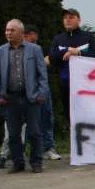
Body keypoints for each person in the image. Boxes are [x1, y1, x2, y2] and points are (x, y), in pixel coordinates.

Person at [0, 19, 49, 173]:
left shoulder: (35, 50)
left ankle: (36, 162)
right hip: (10, 98)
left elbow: (42, 75)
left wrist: (41, 93)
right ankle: (18, 162)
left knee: (35, 132)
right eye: (7, 30)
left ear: (21, 33)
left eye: (12, 30)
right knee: (14, 134)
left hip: (31, 98)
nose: (8, 33)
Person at [49, 7, 95, 126]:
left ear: (79, 20)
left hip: (86, 85)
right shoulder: (58, 39)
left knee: (88, 116)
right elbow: (52, 58)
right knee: (69, 117)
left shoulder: (88, 37)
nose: (67, 20)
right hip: (66, 85)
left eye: (71, 17)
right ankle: (72, 142)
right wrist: (66, 50)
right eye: (65, 18)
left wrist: (79, 53)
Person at [22, 25, 59, 161]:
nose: (29, 37)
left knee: (46, 118)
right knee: (25, 121)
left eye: (31, 35)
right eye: (27, 35)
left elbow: (46, 66)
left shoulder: (39, 49)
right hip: (26, 89)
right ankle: (23, 149)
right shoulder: (20, 50)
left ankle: (48, 148)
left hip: (42, 88)